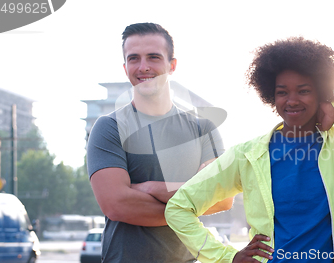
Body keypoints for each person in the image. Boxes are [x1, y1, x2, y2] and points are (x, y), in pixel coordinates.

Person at [165, 37, 334, 263]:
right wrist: (227, 257)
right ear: (271, 97)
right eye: (282, 92)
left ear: (321, 92)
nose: (292, 100)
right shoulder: (247, 156)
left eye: (304, 91)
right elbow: (178, 208)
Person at [86, 22, 232, 262]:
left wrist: (150, 188)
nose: (143, 67)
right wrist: (190, 200)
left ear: (171, 65)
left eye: (153, 57)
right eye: (134, 59)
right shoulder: (109, 127)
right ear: (125, 68)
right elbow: (116, 205)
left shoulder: (203, 129)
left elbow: (222, 198)